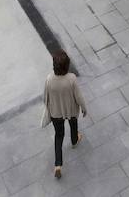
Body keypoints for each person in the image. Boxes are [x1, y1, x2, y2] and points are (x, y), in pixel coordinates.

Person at [42, 49, 86, 179]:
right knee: (73, 125)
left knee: (59, 136)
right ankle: (74, 140)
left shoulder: (49, 79)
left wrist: (48, 107)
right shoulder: (71, 78)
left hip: (56, 113)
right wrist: (84, 108)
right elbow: (79, 96)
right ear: (67, 66)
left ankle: (58, 165)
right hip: (71, 110)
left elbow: (46, 97)